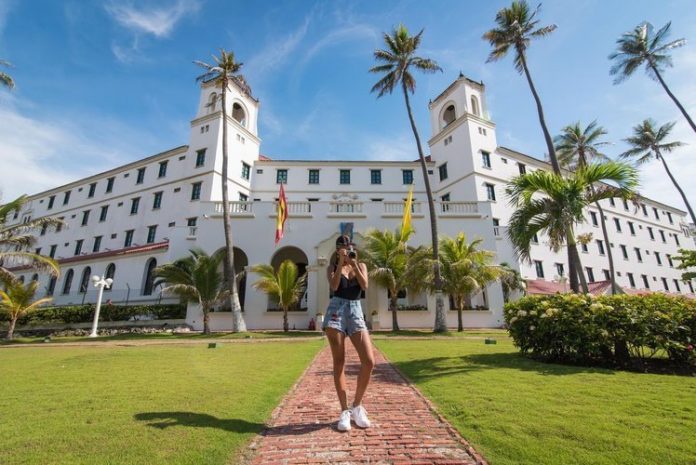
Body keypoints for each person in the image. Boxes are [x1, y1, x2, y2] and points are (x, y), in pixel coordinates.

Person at [322, 234, 375, 432]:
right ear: (338, 251)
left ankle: (357, 406)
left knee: (369, 361)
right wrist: (340, 266)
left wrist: (353, 265)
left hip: (356, 311)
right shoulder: (331, 268)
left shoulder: (361, 266)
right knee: (339, 362)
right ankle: (344, 411)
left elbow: (365, 285)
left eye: (351, 247)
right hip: (336, 311)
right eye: (344, 248)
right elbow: (334, 286)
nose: (349, 250)